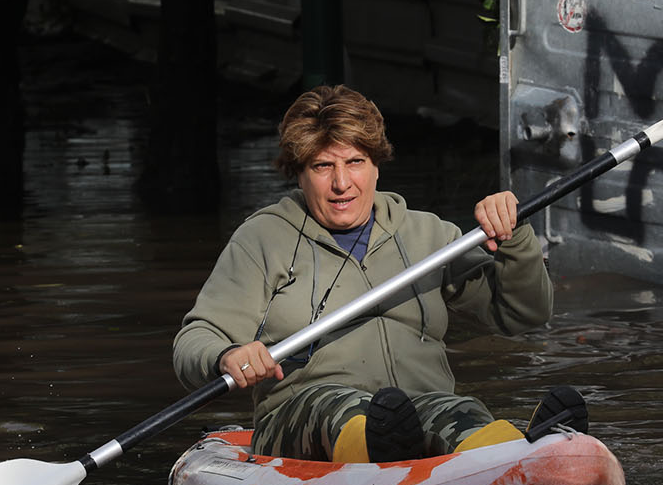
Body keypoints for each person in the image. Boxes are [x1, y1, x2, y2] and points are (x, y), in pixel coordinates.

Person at [173, 85, 588, 463]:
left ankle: (524, 456)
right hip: (301, 422)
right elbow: (194, 340)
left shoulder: (428, 234)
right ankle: (384, 449)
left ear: (376, 166)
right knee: (338, 405)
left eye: (355, 162)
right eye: (322, 166)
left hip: (420, 407)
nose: (341, 183)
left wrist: (514, 240)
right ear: (298, 173)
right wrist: (227, 355)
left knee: (457, 411)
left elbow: (524, 315)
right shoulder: (263, 239)